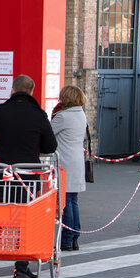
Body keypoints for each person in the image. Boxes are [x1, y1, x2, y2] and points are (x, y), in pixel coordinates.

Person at [0, 74, 57, 278]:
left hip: (2, 172)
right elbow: (51, 146)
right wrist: (32, 148)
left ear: (12, 91)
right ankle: (20, 268)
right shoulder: (38, 115)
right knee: (24, 219)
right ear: (31, 91)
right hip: (27, 175)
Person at [51, 85, 88, 251]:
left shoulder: (63, 117)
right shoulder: (81, 115)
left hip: (64, 161)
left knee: (64, 202)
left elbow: (48, 133)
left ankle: (66, 238)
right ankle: (74, 237)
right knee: (73, 201)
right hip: (77, 160)